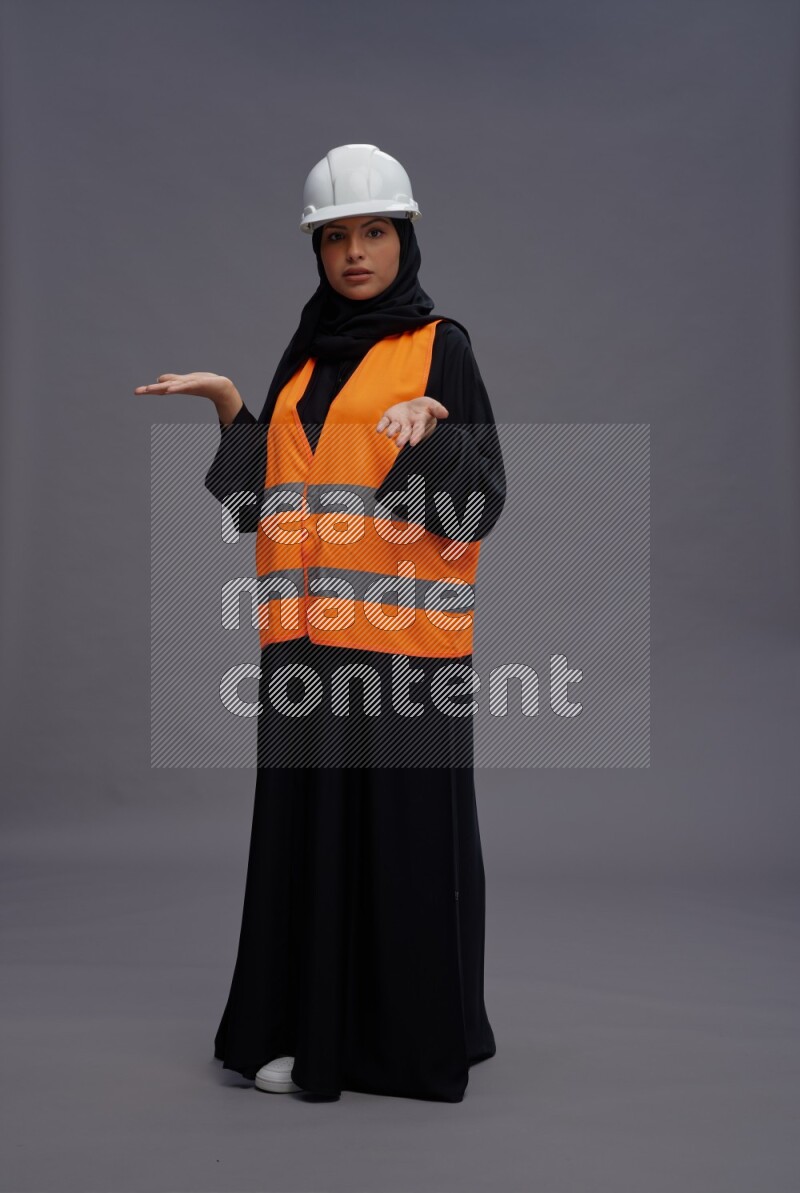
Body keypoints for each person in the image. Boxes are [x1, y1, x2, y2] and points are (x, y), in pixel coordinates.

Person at [135, 144, 507, 1102]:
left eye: (374, 232)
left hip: (405, 653)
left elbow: (481, 502)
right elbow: (269, 501)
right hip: (304, 651)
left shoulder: (441, 350)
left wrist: (439, 432)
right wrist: (228, 404)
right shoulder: (303, 357)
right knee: (309, 838)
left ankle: (407, 1045)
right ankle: (308, 1028)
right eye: (336, 236)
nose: (354, 252)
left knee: (401, 845)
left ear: (404, 239)